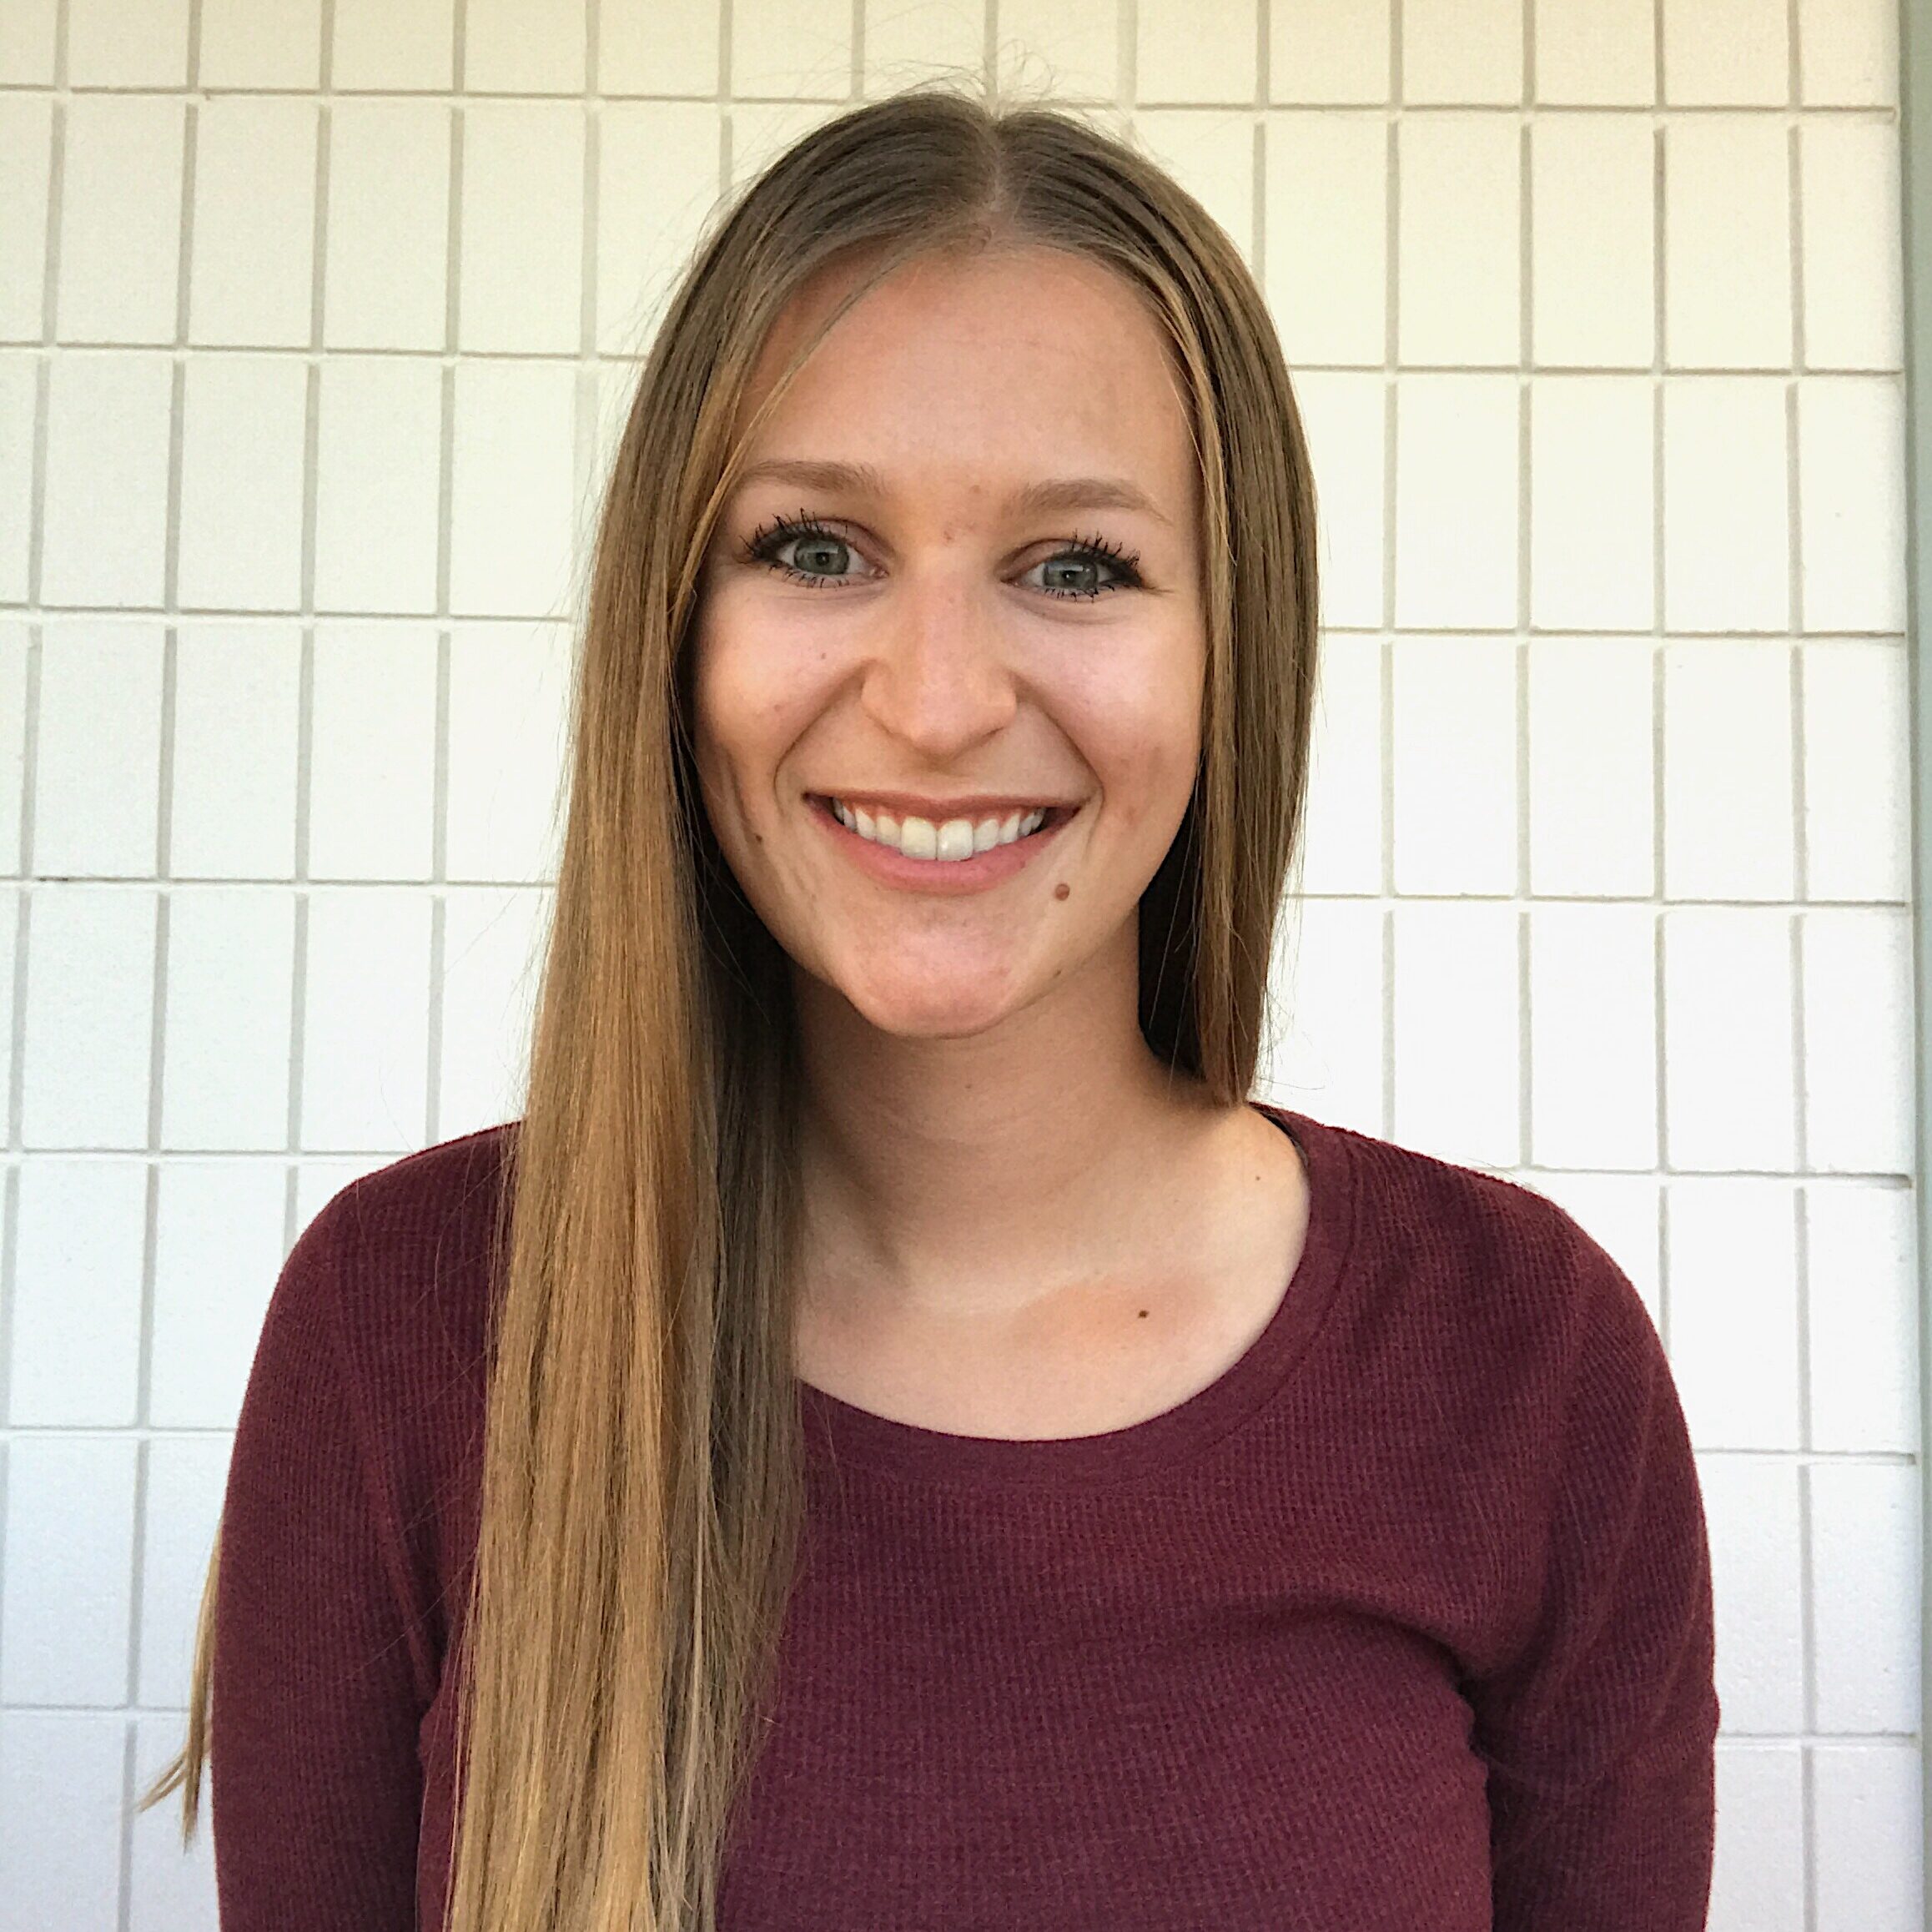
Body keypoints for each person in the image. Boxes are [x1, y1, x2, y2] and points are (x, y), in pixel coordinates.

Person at [143, 84, 1719, 1931]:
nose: (943, 696)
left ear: (1236, 646)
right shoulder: (408, 1323)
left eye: (1076, 565)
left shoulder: (1521, 1364)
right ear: (677, 626)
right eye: (816, 547)